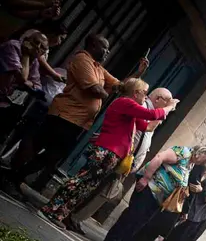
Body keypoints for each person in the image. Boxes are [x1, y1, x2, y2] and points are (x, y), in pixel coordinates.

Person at [9, 33, 149, 195]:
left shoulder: (98, 67)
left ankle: (18, 175)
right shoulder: (82, 60)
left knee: (54, 155)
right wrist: (112, 95)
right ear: (93, 46)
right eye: (105, 48)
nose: (107, 52)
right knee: (37, 145)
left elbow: (121, 86)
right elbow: (95, 90)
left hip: (78, 121)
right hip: (64, 114)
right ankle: (13, 175)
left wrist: (138, 74)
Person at [38, 78, 175, 227]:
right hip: (106, 150)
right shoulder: (125, 102)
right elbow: (152, 115)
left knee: (87, 186)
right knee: (80, 181)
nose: (146, 96)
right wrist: (170, 106)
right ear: (136, 93)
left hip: (113, 154)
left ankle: (59, 213)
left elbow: (146, 126)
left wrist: (165, 111)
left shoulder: (131, 107)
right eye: (144, 92)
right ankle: (50, 208)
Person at [102, 144, 206, 241]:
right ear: (201, 153)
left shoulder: (191, 164)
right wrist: (145, 178)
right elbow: (159, 157)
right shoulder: (183, 152)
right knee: (133, 215)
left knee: (140, 221)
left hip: (160, 196)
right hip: (150, 187)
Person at [0, 30, 46, 135]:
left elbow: (37, 86)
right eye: (36, 42)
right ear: (26, 40)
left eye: (42, 47)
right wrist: (26, 55)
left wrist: (30, 84)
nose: (38, 47)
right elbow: (22, 78)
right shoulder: (13, 46)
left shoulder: (34, 61)